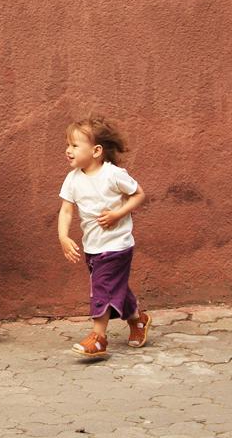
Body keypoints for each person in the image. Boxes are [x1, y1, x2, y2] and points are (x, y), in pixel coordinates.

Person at [57, 115, 151, 358]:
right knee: (113, 287)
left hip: (117, 244)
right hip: (93, 246)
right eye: (68, 145)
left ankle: (98, 338)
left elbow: (138, 194)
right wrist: (63, 237)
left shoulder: (113, 174)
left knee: (103, 287)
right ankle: (137, 319)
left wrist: (118, 214)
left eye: (75, 145)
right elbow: (66, 210)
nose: (68, 150)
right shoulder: (73, 179)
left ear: (96, 151)